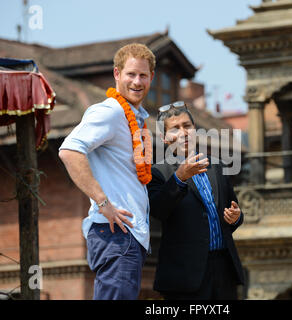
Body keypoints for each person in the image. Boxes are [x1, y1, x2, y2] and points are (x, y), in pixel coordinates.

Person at [58, 43, 155, 300]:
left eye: (143, 75)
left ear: (151, 78)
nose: (137, 81)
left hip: (128, 238)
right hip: (116, 235)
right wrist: (103, 202)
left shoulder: (137, 119)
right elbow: (69, 150)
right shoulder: (111, 111)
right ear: (117, 74)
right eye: (130, 74)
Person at [147, 103, 245, 300]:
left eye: (187, 126)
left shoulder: (216, 165)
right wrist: (179, 178)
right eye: (175, 128)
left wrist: (236, 217)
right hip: (185, 276)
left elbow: (233, 211)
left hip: (223, 270)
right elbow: (158, 210)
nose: (183, 133)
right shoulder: (158, 173)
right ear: (164, 138)